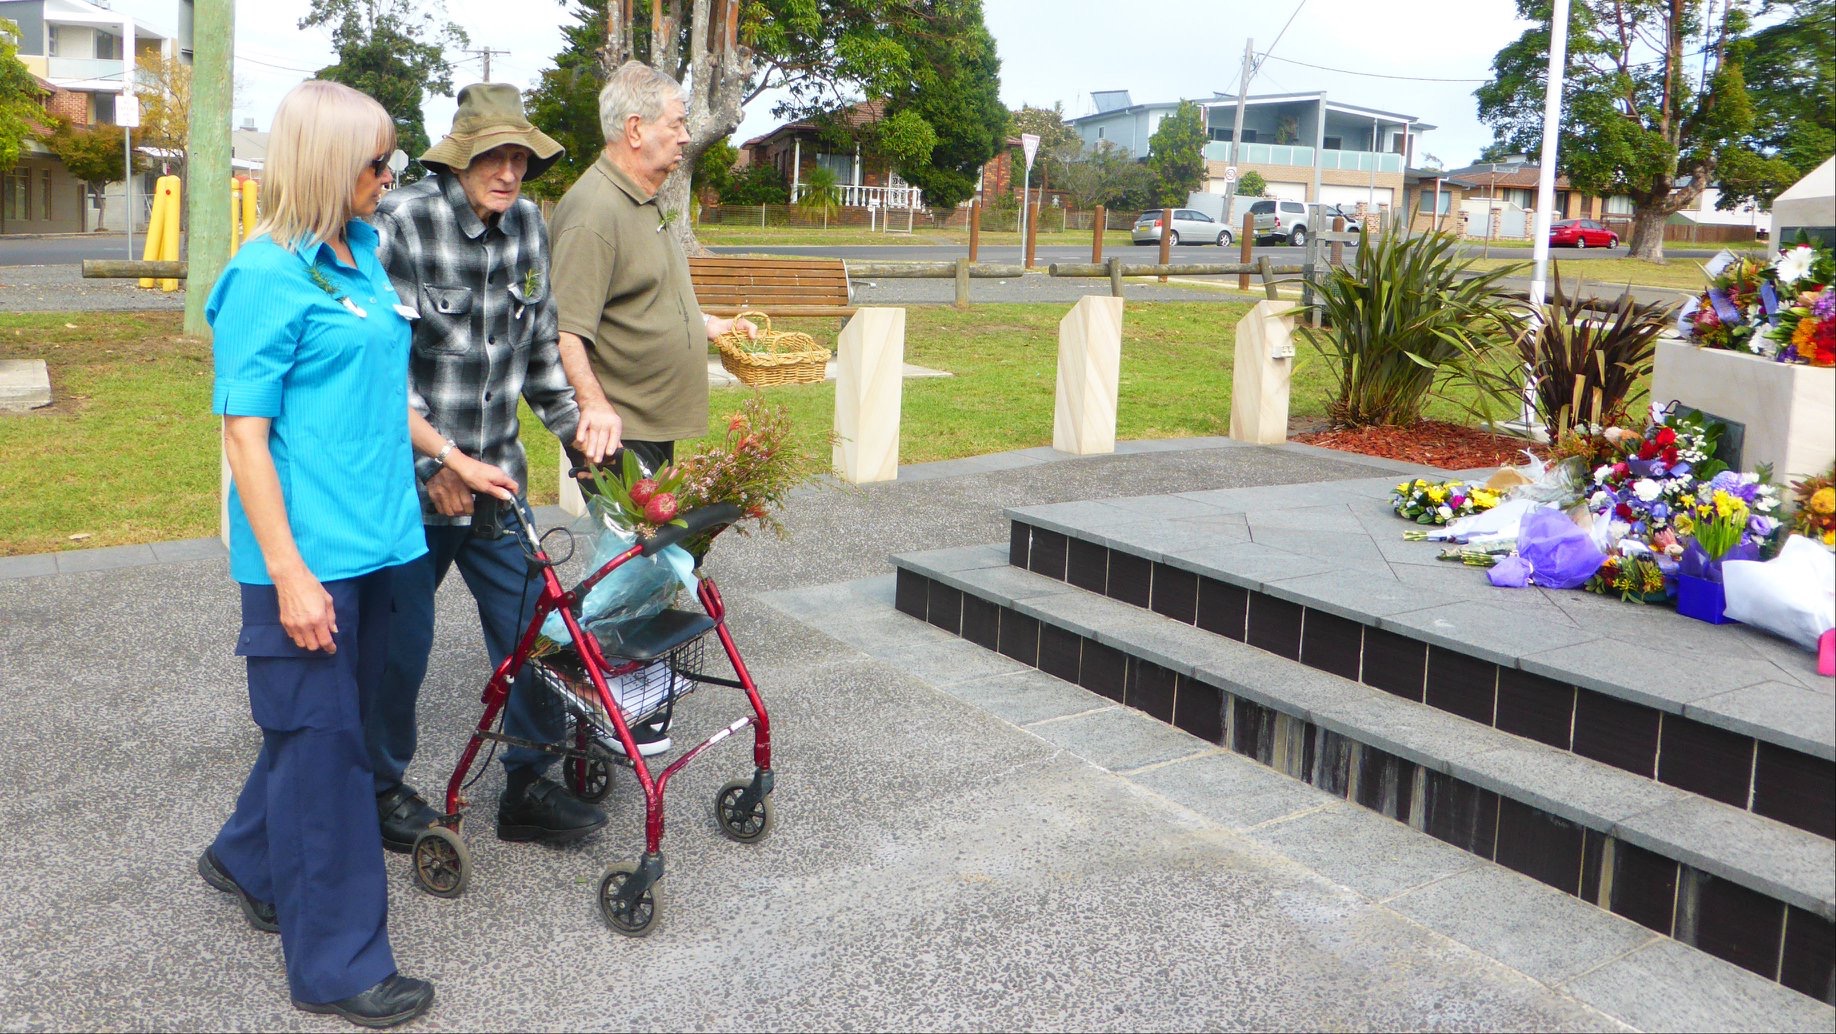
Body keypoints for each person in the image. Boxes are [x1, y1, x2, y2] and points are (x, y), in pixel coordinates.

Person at [199, 79, 435, 1028]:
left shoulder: (363, 254)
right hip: (309, 557)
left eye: (391, 160)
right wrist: (290, 572)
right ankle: (338, 965)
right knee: (328, 757)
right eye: (378, 163)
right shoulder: (265, 277)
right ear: (332, 166)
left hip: (386, 540)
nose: (391, 177)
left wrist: (454, 455)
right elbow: (245, 435)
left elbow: (379, 398)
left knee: (332, 728)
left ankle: (245, 858)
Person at [366, 82, 610, 848]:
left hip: (498, 477)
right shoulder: (402, 220)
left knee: (534, 628)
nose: (508, 171)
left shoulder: (529, 226)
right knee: (400, 646)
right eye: (492, 156)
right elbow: (382, 361)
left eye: (519, 157)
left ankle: (527, 786)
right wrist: (432, 457)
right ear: (459, 158)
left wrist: (578, 433)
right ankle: (375, 790)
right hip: (421, 482)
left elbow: (539, 352)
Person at [548, 61, 755, 755]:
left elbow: (660, 293)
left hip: (657, 423)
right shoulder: (593, 210)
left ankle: (622, 688)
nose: (685, 134)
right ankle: (564, 670)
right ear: (634, 130)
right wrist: (594, 404)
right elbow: (567, 329)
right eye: (675, 123)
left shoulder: (652, 196)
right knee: (632, 563)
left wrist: (710, 327)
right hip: (621, 429)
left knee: (642, 561)